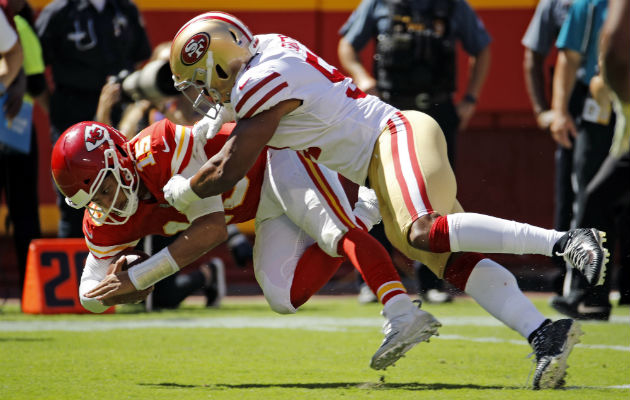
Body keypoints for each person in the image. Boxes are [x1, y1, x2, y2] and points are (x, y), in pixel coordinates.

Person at [162, 12, 609, 389]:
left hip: (394, 137)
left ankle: (567, 241)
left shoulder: (259, 80)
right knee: (443, 260)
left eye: (201, 82)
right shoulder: (266, 51)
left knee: (423, 230)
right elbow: (238, 121)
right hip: (379, 160)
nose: (203, 95)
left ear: (221, 63)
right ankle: (545, 334)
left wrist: (185, 190)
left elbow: (230, 167)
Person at [51, 119, 433, 366]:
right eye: (92, 200)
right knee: (284, 299)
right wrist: (118, 290)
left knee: (334, 233)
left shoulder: (160, 148)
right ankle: (365, 211)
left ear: (119, 159)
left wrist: (142, 276)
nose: (104, 204)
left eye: (104, 189)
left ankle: (397, 306)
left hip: (280, 157)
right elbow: (90, 294)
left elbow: (212, 228)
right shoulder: (105, 217)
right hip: (260, 202)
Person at [338, 0, 491, 303]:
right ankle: (373, 280)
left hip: (438, 109)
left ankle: (433, 280)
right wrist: (363, 78)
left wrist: (471, 98)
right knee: (376, 191)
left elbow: (482, 48)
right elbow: (347, 45)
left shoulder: (453, 6)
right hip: (388, 106)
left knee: (437, 192)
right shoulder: (378, 4)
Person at [35, 0, 151, 238]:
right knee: (76, 201)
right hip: (72, 122)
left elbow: (138, 56)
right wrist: (57, 110)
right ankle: (77, 269)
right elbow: (34, 75)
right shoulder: (57, 14)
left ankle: (128, 268)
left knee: (129, 194)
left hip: (122, 124)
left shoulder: (125, 9)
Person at [548, 0, 618, 319]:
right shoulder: (589, 6)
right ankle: (586, 291)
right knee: (589, 197)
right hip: (600, 109)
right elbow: (568, 57)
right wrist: (560, 111)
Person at [0, 0, 44, 297]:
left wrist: (12, 84)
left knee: (24, 210)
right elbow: (37, 82)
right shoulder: (22, 28)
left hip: (14, 128)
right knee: (25, 211)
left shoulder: (19, 27)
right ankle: (35, 286)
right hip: (17, 129)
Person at [522, 0, 575, 241]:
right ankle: (568, 266)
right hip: (575, 112)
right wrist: (544, 111)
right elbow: (533, 57)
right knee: (571, 192)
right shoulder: (556, 3)